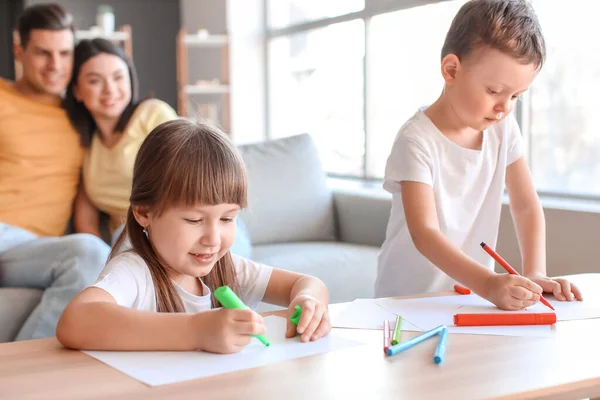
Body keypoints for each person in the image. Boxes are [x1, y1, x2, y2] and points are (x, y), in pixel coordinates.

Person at [375, 0, 583, 309]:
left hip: (470, 298)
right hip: (407, 299)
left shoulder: (503, 130)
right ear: (451, 70)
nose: (504, 107)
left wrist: (536, 272)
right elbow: (425, 234)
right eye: (494, 91)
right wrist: (488, 283)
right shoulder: (416, 140)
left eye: (515, 96)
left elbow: (526, 206)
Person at [56, 119, 331, 352]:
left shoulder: (227, 267)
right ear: (143, 212)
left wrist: (309, 301)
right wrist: (196, 330)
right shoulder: (135, 272)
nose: (213, 238)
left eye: (227, 218)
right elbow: (75, 321)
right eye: (194, 220)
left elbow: (307, 283)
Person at [0, 4, 110, 341]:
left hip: (35, 249)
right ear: (19, 51)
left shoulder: (83, 115)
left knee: (91, 253)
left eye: (64, 53)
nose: (55, 66)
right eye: (43, 53)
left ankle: (21, 379)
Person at [63, 38, 178, 241]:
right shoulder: (88, 146)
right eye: (94, 81)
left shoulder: (152, 114)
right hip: (130, 242)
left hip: (187, 222)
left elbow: (192, 178)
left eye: (118, 77)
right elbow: (86, 219)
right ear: (77, 91)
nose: (110, 89)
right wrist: (103, 261)